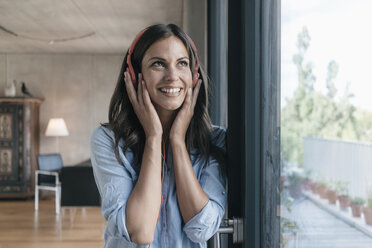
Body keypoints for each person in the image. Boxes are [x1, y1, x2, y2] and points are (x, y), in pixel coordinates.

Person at [90, 23, 227, 248]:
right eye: (158, 64)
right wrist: (154, 137)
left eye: (182, 63)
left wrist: (177, 142)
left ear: (193, 76)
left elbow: (201, 228)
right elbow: (141, 232)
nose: (172, 76)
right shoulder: (107, 140)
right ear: (134, 75)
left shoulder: (215, 141)